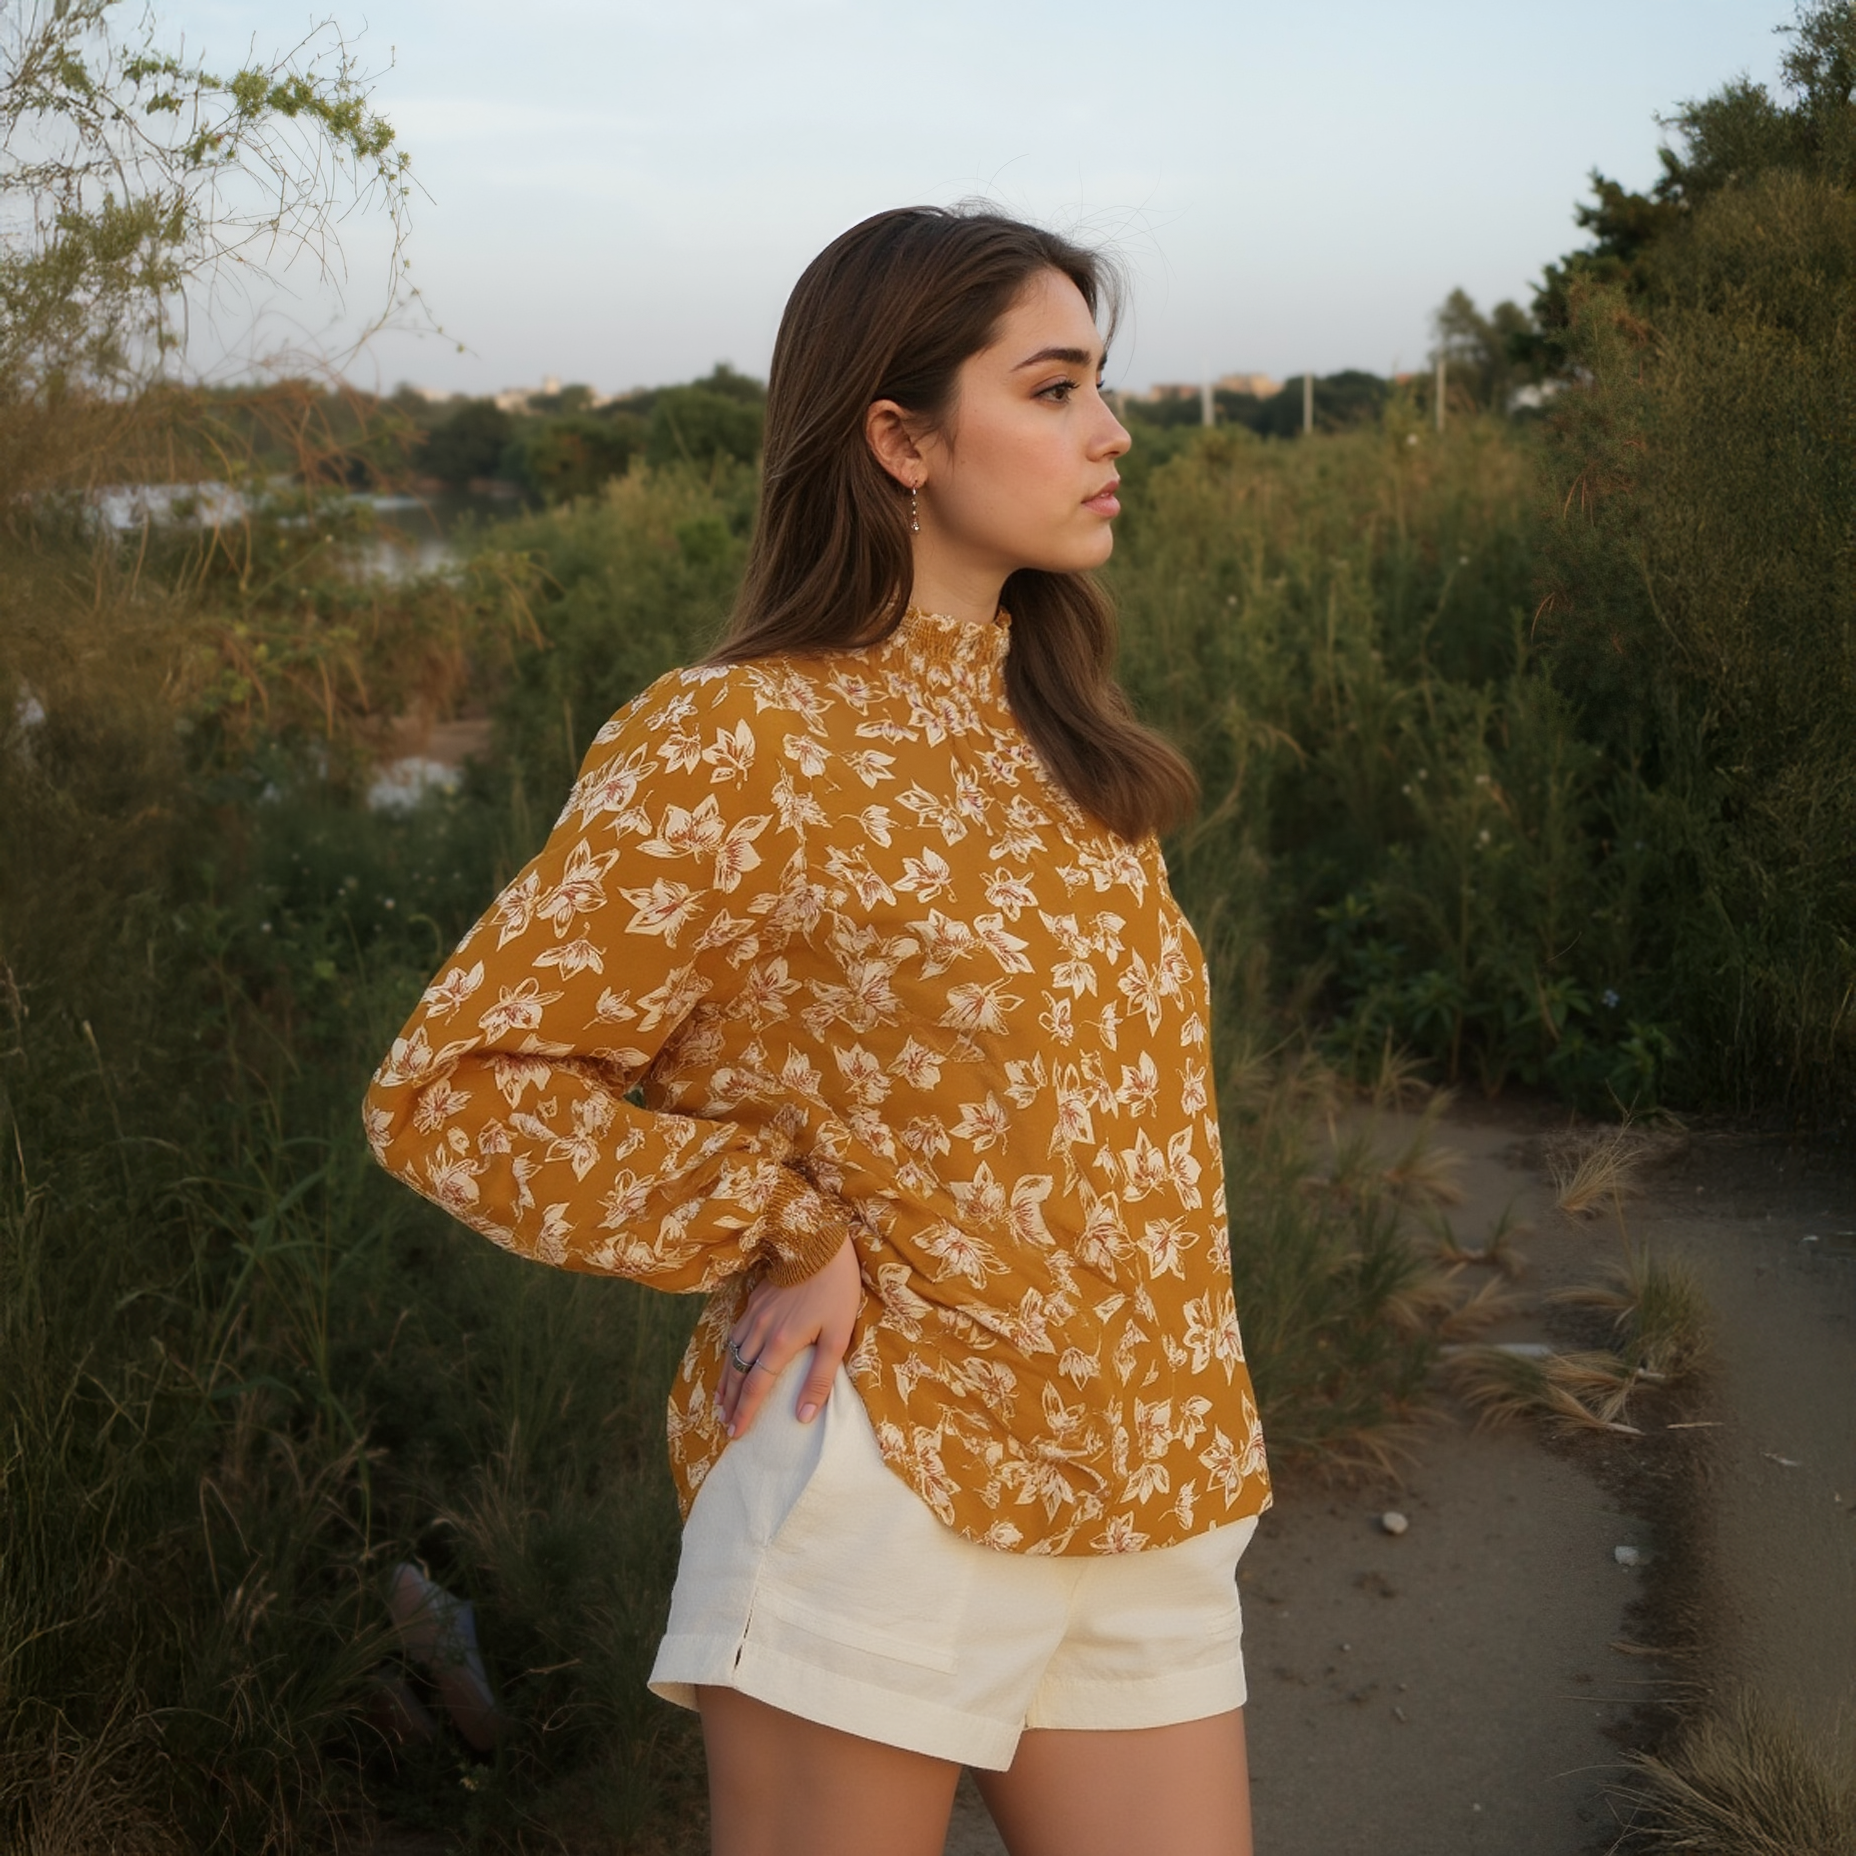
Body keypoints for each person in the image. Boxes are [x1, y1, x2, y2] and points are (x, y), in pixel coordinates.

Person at [364, 203, 1270, 1856]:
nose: (1112, 430)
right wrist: (773, 1225)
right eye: (1056, 387)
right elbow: (454, 1092)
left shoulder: (1068, 750)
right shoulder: (741, 736)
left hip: (1150, 1480)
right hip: (888, 1490)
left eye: (1101, 385)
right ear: (899, 436)